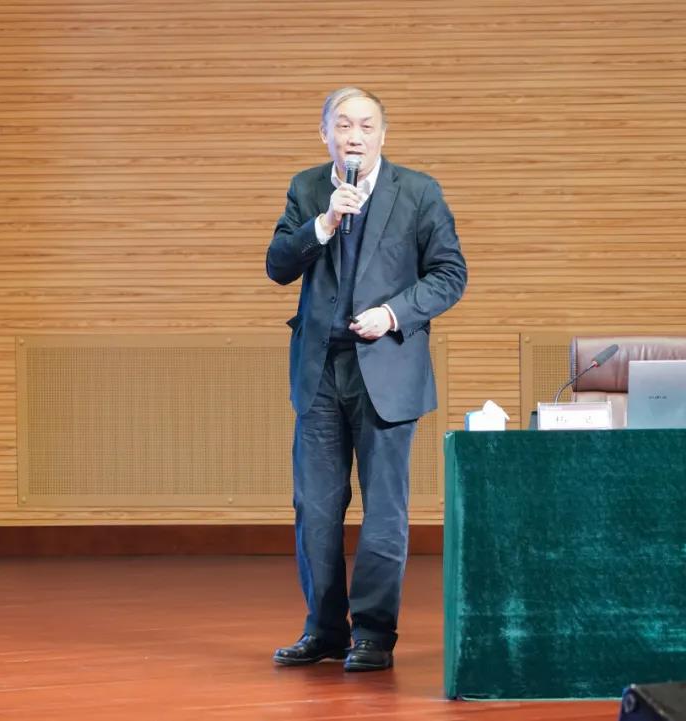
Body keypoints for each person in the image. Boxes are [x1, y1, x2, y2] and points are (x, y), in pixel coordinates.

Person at [266, 87, 467, 672]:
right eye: (344, 125)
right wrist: (325, 222)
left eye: (366, 126)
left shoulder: (418, 191)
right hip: (320, 370)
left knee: (384, 510)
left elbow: (450, 274)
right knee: (315, 506)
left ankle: (374, 634)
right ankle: (324, 629)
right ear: (324, 133)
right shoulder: (307, 188)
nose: (355, 136)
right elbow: (278, 265)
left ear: (383, 134)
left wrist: (393, 314)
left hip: (387, 365)